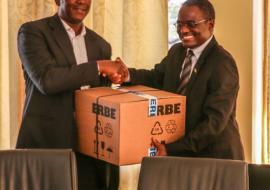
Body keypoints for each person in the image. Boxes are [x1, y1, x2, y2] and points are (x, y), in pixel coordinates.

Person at [117, 0, 244, 160]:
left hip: (214, 160)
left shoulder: (222, 63)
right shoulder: (177, 52)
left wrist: (171, 149)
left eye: (191, 24)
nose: (183, 30)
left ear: (210, 24)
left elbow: (213, 123)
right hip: (182, 155)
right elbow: (156, 78)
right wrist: (126, 74)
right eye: (179, 24)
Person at [16, 0, 122, 189]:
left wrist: (118, 75)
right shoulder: (33, 32)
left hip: (90, 153)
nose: (82, 1)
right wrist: (98, 67)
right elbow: (47, 80)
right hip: (46, 147)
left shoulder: (101, 45)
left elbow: (102, 99)